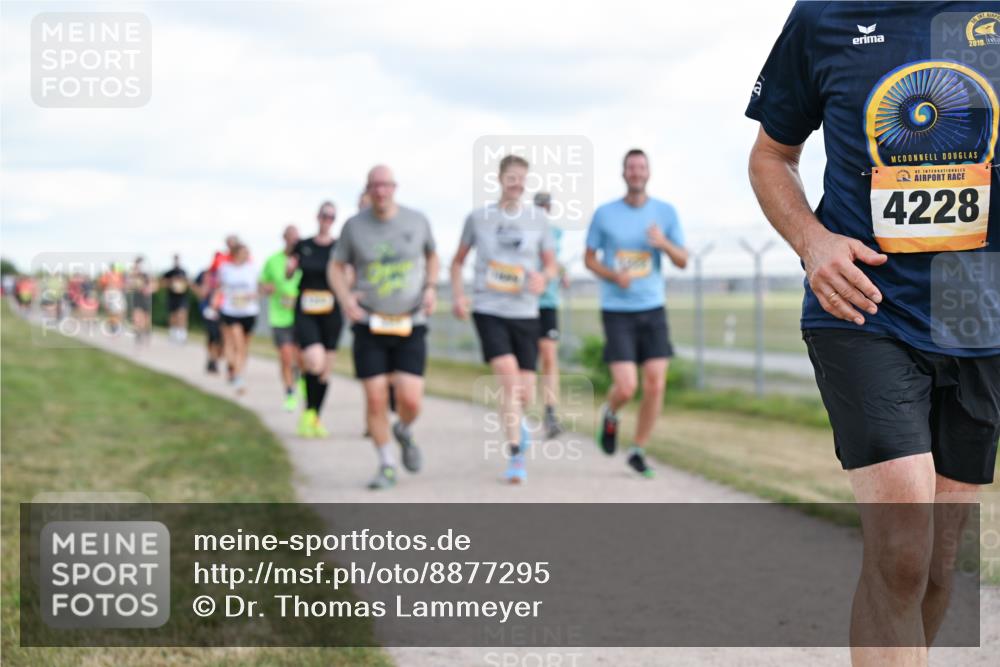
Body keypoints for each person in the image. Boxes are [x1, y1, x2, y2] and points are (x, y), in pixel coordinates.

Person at [746, 4, 1000, 664]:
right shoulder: (825, 15)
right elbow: (773, 156)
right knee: (902, 550)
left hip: (980, 324)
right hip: (864, 311)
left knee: (940, 566)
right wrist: (814, 242)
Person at [330, 165, 438, 490]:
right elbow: (336, 266)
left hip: (410, 320)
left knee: (411, 399)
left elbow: (432, 256)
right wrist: (345, 298)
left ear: (395, 187)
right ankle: (386, 464)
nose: (381, 191)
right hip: (369, 321)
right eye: (375, 186)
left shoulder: (416, 220)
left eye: (386, 185)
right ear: (368, 188)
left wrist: (431, 286)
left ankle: (403, 430)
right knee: (375, 399)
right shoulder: (353, 227)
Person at [451, 155, 558, 484]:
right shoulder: (478, 218)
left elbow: (551, 265)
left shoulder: (538, 220)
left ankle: (518, 426)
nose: (517, 184)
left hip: (526, 312)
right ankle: (515, 456)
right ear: (499, 179)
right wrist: (458, 295)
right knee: (509, 382)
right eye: (511, 178)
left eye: (522, 179)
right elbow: (457, 263)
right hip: (489, 308)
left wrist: (544, 278)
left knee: (524, 392)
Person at [584, 148, 687, 478]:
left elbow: (683, 260)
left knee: (656, 384)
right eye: (631, 167)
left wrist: (663, 243)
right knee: (627, 387)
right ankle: (611, 413)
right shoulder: (604, 214)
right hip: (617, 310)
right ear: (623, 172)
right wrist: (614, 276)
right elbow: (589, 258)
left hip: (652, 307)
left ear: (649, 172)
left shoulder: (665, 213)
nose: (636, 172)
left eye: (641, 167)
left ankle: (639, 449)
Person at [291, 202, 343, 437]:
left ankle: (315, 417)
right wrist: (290, 268)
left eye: (331, 217)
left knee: (324, 372)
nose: (327, 220)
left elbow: (347, 275)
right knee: (314, 361)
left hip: (331, 311)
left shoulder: (340, 247)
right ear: (317, 217)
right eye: (324, 215)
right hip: (307, 310)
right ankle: (309, 413)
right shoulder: (304, 245)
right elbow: (288, 271)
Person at [534, 191, 569, 439]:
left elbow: (554, 260)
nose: (543, 210)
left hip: (548, 302)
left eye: (547, 206)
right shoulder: (522, 231)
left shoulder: (556, 233)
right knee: (524, 360)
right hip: (522, 303)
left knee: (549, 356)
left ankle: (550, 413)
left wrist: (562, 272)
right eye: (539, 206)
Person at [260, 225, 303, 411]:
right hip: (279, 316)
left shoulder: (305, 260)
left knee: (301, 359)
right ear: (284, 238)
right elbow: (262, 284)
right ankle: (289, 393)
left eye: (296, 238)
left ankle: (300, 381)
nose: (293, 241)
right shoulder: (273, 260)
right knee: (286, 356)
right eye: (290, 237)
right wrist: (267, 288)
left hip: (302, 316)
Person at [217, 243, 259, 394]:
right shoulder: (225, 268)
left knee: (244, 346)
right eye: (242, 252)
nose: (245, 255)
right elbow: (220, 287)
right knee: (236, 342)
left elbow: (258, 288)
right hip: (231, 310)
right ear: (235, 254)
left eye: (247, 253)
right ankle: (237, 375)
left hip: (249, 311)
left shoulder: (253, 269)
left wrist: (255, 295)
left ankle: (237, 370)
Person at [193, 260, 223, 374]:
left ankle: (214, 358)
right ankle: (211, 358)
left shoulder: (226, 273)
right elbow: (194, 284)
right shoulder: (206, 273)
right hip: (208, 309)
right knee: (212, 335)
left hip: (222, 309)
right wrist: (200, 292)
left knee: (220, 337)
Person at [161, 254, 190, 344]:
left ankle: (182, 335)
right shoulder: (169, 272)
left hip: (182, 297)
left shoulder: (183, 272)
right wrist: (171, 282)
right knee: (173, 316)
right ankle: (173, 334)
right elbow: (162, 283)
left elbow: (187, 283)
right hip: (172, 297)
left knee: (182, 315)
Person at [127, 257, 154, 344]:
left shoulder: (146, 275)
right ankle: (138, 333)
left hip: (145, 298)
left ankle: (146, 331)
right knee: (137, 315)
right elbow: (129, 286)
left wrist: (148, 289)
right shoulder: (133, 275)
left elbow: (153, 285)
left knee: (146, 317)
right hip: (136, 296)